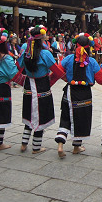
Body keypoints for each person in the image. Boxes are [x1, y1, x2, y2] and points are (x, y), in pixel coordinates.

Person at [55, 33, 102, 157]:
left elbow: (58, 70)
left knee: (66, 116)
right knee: (81, 118)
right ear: (89, 47)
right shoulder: (92, 62)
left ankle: (60, 145)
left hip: (70, 90)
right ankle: (76, 147)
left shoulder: (68, 59)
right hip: (85, 93)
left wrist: (67, 78)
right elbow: (100, 79)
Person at [18, 25, 66, 154]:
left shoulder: (26, 53)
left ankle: (23, 143)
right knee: (40, 115)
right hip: (42, 86)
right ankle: (36, 147)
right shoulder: (45, 53)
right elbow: (57, 71)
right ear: (42, 39)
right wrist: (67, 79)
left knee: (29, 113)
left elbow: (18, 67)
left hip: (28, 85)